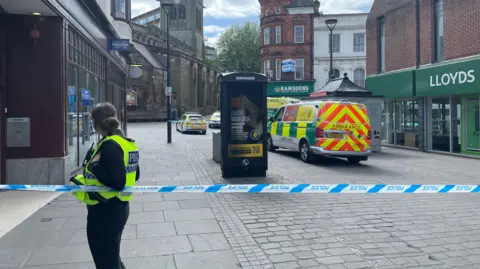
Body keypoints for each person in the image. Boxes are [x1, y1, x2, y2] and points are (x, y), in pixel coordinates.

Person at [71, 102, 140, 269]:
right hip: (118, 208)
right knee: (111, 258)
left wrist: (95, 167)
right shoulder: (124, 142)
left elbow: (118, 182)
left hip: (104, 211)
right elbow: (136, 174)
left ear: (95, 124)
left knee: (105, 261)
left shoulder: (109, 146)